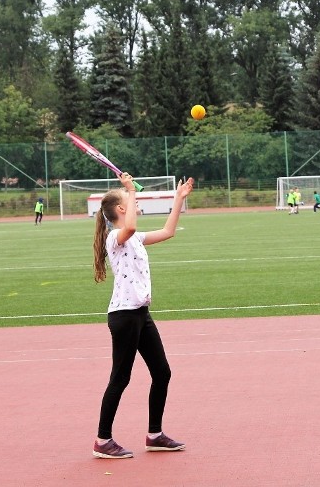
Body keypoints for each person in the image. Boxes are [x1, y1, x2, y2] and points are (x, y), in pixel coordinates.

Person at [91, 172, 194, 459]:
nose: (134, 203)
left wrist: (178, 199)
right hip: (124, 317)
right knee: (120, 378)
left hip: (140, 314)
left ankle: (155, 434)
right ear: (121, 210)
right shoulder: (117, 237)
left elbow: (168, 232)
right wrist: (129, 190)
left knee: (162, 372)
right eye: (129, 201)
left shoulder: (134, 238)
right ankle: (102, 440)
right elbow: (131, 226)